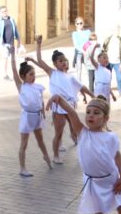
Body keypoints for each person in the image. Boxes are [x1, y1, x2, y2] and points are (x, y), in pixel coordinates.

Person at [31, 36, 94, 164]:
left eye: (65, 60)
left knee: (75, 130)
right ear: (55, 64)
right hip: (59, 106)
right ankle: (55, 155)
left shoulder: (70, 76)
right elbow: (40, 60)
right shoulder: (52, 73)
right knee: (58, 133)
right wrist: (38, 44)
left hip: (70, 106)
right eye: (60, 61)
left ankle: (80, 152)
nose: (64, 62)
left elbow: (82, 87)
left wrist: (93, 96)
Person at [10, 44, 51, 176]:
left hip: (37, 117)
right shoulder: (21, 86)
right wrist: (12, 56)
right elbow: (14, 71)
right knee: (24, 143)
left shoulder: (38, 87)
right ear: (23, 76)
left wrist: (43, 112)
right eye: (31, 74)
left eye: (34, 74)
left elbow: (41, 100)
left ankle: (46, 157)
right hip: (27, 117)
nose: (33, 77)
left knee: (41, 140)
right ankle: (22, 168)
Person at [0, 5, 20, 80]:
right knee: (5, 58)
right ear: (0, 13)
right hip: (4, 44)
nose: (4, 12)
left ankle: (15, 74)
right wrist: (0, 41)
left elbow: (16, 30)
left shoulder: (11, 19)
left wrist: (18, 40)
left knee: (13, 59)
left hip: (12, 42)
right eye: (2, 11)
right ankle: (5, 74)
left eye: (5, 11)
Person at [102, 25, 121, 97]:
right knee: (108, 78)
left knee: (119, 78)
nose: (118, 32)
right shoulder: (108, 39)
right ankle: (106, 92)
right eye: (116, 30)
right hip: (109, 62)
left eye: (119, 30)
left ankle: (120, 92)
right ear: (113, 31)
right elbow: (103, 49)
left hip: (118, 62)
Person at [71, 16, 91, 82]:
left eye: (81, 23)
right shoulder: (74, 34)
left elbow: (90, 42)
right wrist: (83, 51)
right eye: (78, 23)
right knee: (78, 72)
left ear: (83, 23)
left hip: (87, 53)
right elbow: (76, 45)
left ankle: (91, 88)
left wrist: (87, 51)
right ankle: (80, 89)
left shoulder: (88, 32)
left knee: (89, 71)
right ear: (75, 24)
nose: (79, 25)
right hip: (79, 53)